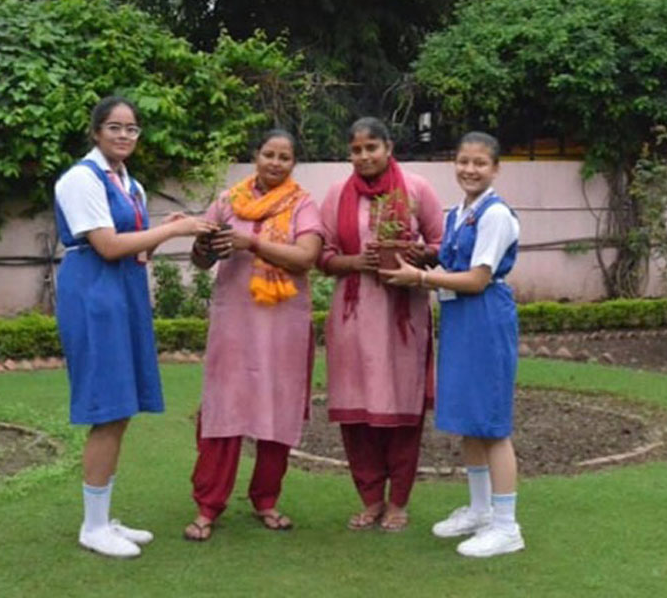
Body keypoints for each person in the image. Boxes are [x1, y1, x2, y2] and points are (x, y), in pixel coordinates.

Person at [54, 96, 217, 558]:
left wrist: (173, 227)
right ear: (96, 132)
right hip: (94, 293)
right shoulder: (79, 179)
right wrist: (173, 231)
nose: (124, 136)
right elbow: (106, 246)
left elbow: (136, 248)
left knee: (121, 405)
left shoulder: (131, 185)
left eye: (131, 129)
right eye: (114, 127)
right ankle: (93, 526)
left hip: (124, 290)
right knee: (107, 407)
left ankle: (104, 519)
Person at [379, 131, 524, 558]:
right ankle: (480, 511)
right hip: (460, 318)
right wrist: (426, 257)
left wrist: (420, 278)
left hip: (485, 317)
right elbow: (454, 263)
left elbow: (478, 279)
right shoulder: (456, 213)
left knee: (492, 425)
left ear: (495, 169)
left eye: (480, 163)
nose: (470, 169)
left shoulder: (495, 215)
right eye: (463, 161)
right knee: (468, 419)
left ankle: (506, 525)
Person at [183, 129, 324, 542]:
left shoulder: (303, 204)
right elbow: (199, 259)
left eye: (284, 157)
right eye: (269, 154)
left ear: (293, 163)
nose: (275, 163)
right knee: (224, 407)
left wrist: (252, 242)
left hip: (283, 324)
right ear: (255, 156)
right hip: (235, 321)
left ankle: (266, 499)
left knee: (276, 410)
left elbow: (306, 258)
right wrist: (206, 245)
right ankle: (208, 505)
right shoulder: (228, 201)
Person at [318, 117, 444, 532]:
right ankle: (371, 499)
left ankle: (399, 502)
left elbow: (443, 245)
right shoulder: (337, 194)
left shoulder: (416, 189)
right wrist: (357, 262)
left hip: (402, 318)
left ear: (389, 147)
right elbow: (324, 255)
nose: (364, 156)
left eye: (371, 147)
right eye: (356, 150)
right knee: (358, 416)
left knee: (402, 410)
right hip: (352, 317)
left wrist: (413, 256)